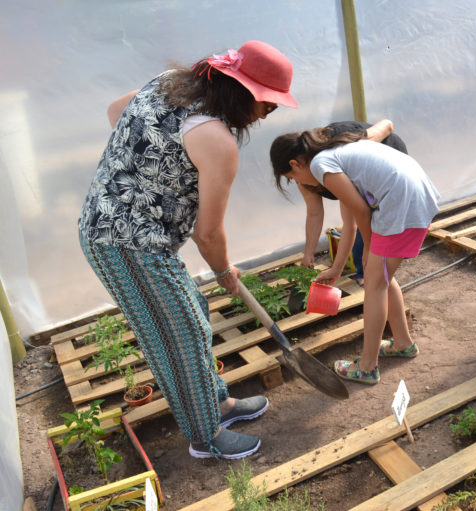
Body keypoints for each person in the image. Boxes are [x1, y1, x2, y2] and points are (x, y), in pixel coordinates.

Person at [78, 41, 297, 459]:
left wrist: (144, 169)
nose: (267, 115)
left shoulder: (167, 85)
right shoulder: (216, 140)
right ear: (243, 94)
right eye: (268, 106)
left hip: (117, 227)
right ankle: (205, 437)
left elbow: (115, 111)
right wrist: (223, 271)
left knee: (192, 313)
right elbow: (208, 234)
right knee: (178, 334)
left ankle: (217, 402)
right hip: (124, 245)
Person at [270, 129, 439, 384]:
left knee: (374, 284)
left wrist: (370, 249)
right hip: (415, 196)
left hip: (401, 204)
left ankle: (367, 367)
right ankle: (403, 343)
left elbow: (361, 211)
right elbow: (350, 223)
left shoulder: (320, 165)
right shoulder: (338, 155)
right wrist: (338, 268)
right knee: (381, 278)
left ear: (295, 164)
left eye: (292, 176)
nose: (299, 182)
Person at [297, 120, 408, 287]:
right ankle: (373, 272)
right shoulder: (303, 178)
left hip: (390, 165)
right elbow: (315, 214)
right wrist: (308, 254)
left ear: (299, 163)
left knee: (374, 229)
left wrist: (370, 251)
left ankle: (374, 271)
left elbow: (388, 124)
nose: (295, 181)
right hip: (361, 182)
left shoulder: (341, 153)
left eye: (292, 176)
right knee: (363, 228)